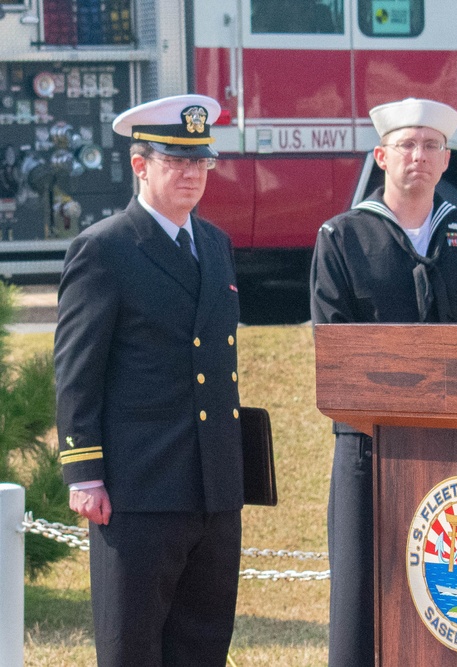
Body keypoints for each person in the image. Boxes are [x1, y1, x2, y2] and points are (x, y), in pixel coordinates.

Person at [310, 97, 457, 666]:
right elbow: (336, 355)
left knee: (456, 597)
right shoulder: (342, 238)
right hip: (368, 447)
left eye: (431, 146)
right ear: (381, 156)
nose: (418, 157)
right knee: (361, 600)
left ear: (447, 159)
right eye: (406, 145)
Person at [55, 94, 244, 666]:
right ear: (140, 165)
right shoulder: (106, 248)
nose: (191, 174)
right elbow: (77, 370)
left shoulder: (214, 244)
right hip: (136, 488)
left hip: (213, 488)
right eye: (175, 160)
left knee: (203, 646)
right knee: (132, 649)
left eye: (201, 161)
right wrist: (84, 473)